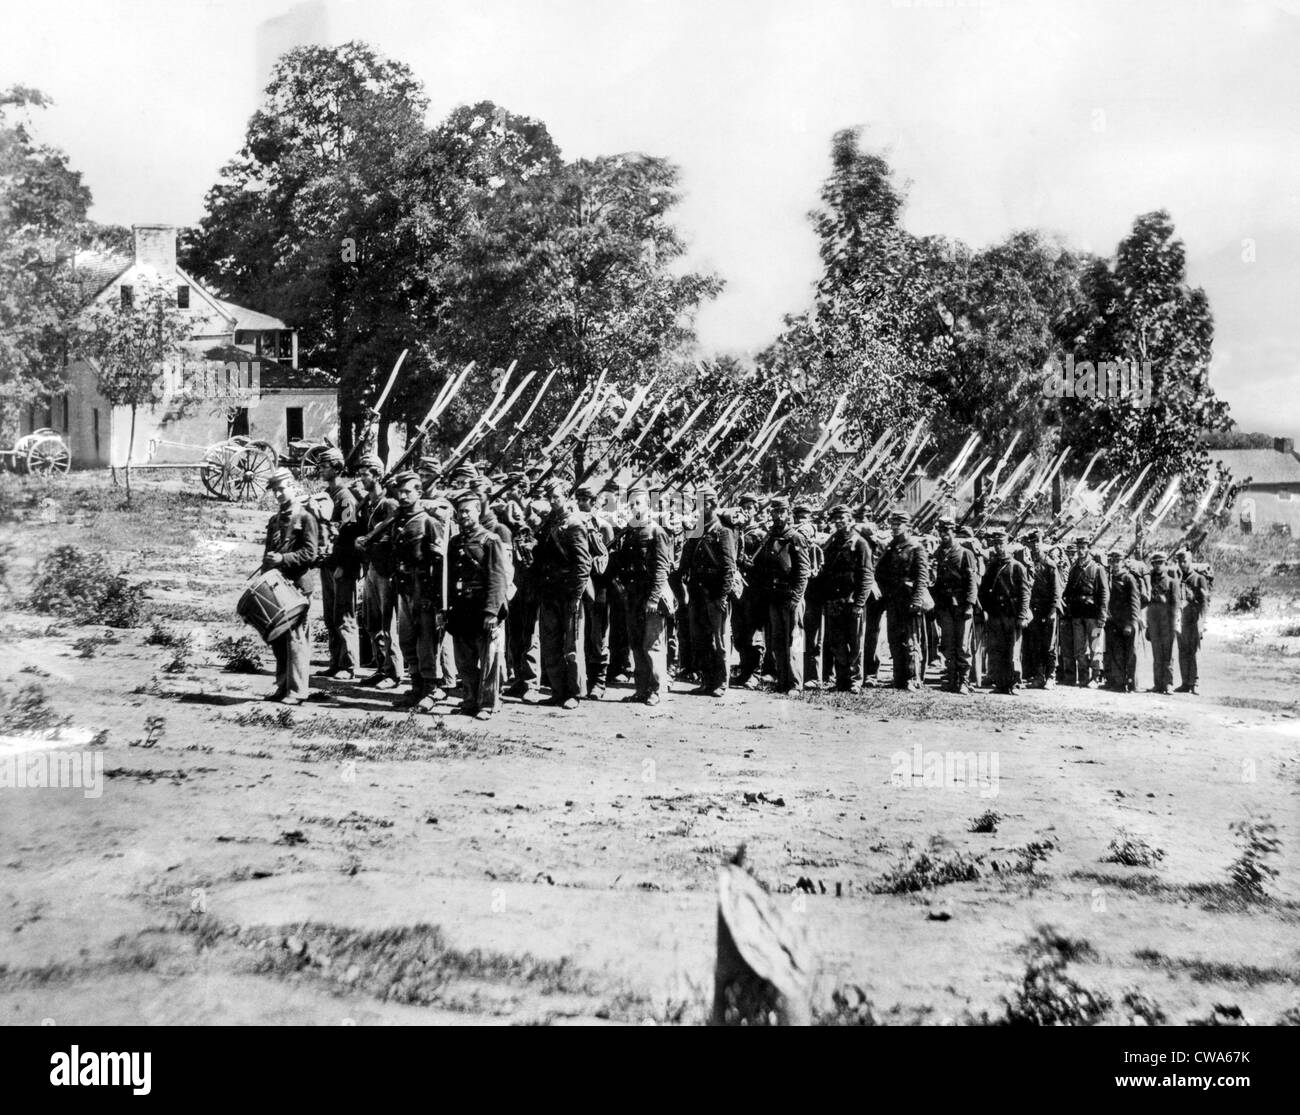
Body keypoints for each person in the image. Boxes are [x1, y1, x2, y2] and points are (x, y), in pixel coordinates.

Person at [386, 470, 446, 712]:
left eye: (407, 492)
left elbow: (439, 564)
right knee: (407, 639)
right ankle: (416, 687)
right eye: (399, 492)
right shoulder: (398, 520)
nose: (402, 496)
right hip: (404, 586)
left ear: (419, 493)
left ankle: (431, 690)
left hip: (424, 589)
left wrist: (434, 598)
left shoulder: (429, 522)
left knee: (427, 642)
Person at [446, 492, 509, 720]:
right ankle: (470, 700)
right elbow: (449, 579)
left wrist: (492, 611)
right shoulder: (455, 542)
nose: (463, 516)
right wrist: (446, 610)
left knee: (490, 660)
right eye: (460, 511)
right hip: (462, 609)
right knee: (465, 660)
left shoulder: (490, 540)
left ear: (478, 512)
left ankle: (488, 704)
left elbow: (498, 578)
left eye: (467, 511)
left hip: (483, 609)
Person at [610, 486, 674, 705]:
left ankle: (656, 690)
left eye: (638, 503)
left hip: (651, 597)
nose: (634, 507)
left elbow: (661, 570)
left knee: (652, 644)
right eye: (631, 504)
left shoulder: (657, 532)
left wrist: (654, 598)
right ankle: (641, 689)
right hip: (634, 596)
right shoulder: (630, 532)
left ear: (648, 505)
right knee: (636, 643)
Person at [261, 468, 319, 705]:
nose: (278, 494)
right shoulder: (275, 520)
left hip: (297, 586)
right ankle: (282, 685)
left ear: (293, 487)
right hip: (277, 585)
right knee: (278, 639)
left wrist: (283, 560)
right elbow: (267, 553)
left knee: (296, 640)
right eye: (274, 490)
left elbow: (310, 553)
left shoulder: (306, 518)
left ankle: (297, 691)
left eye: (282, 489)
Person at [534, 479, 591, 709]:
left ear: (566, 497)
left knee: (572, 645)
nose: (553, 501)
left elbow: (583, 564)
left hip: (568, 593)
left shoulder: (574, 524)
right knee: (551, 643)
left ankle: (574, 693)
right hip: (550, 592)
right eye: (550, 497)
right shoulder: (549, 522)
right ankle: (558, 690)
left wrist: (576, 596)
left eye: (557, 497)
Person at [679, 484, 738, 698]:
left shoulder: (723, 532)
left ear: (712, 504)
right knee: (700, 639)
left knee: (719, 641)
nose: (698, 508)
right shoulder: (698, 530)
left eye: (702, 503)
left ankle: (721, 682)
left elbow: (729, 568)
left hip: (714, 595)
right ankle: (707, 680)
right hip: (696, 594)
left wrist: (721, 596)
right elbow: (685, 560)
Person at [752, 495, 809, 695]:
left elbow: (804, 571)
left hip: (791, 596)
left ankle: (795, 683)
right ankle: (782, 680)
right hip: (774, 596)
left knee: (795, 640)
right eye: (774, 512)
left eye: (781, 512)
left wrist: (796, 597)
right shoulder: (769, 537)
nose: (777, 516)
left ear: (788, 514)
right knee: (777, 640)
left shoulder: (795, 538)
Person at [354, 457, 403, 689]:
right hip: (371, 567)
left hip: (385, 568)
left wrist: (371, 541)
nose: (361, 478)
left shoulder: (389, 505)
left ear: (376, 475)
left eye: (365, 474)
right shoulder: (367, 503)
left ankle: (393, 672)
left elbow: (393, 538)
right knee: (371, 621)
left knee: (387, 621)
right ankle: (381, 667)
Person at [816, 503, 872, 692]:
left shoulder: (860, 543)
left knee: (855, 644)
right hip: (834, 600)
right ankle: (841, 680)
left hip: (852, 600)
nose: (839, 522)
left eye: (842, 518)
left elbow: (866, 575)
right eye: (836, 519)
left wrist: (860, 602)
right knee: (837, 642)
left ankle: (855, 681)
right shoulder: (832, 542)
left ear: (850, 519)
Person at [316, 447, 360, 680]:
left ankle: (348, 665)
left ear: (336, 468)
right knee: (330, 616)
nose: (320, 469)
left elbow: (350, 536)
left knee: (344, 616)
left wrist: (344, 565)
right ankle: (335, 661)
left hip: (342, 565)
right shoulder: (328, 494)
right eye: (320, 465)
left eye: (325, 466)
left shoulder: (345, 499)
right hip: (328, 564)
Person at [874, 508, 931, 691]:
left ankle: (913, 678)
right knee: (894, 639)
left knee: (912, 640)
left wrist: (916, 600)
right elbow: (880, 571)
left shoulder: (916, 547)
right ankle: (899, 678)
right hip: (893, 599)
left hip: (909, 601)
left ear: (908, 526)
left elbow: (922, 577)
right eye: (893, 524)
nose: (895, 527)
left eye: (899, 524)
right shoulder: (891, 546)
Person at [978, 526, 1031, 694]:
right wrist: (985, 610)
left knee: (1013, 650)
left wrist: (1022, 616)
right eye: (996, 544)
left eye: (1001, 544)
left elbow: (1024, 593)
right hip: (995, 615)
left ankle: (1014, 683)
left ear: (1007, 544)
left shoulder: (1017, 567)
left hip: (1011, 614)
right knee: (997, 649)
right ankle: (1001, 683)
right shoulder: (992, 566)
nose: (999, 547)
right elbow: (984, 591)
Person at [931, 514, 978, 694]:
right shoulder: (937, 553)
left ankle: (964, 681)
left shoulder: (965, 553)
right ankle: (952, 678)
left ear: (954, 532)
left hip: (962, 605)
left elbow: (971, 582)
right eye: (941, 531)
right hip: (944, 606)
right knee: (948, 643)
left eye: (947, 531)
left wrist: (969, 605)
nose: (944, 535)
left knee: (963, 645)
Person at [576, 482, 615, 699]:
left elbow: (608, 557)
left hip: (598, 585)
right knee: (579, 632)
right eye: (580, 499)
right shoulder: (573, 523)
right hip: (579, 583)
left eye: (586, 500)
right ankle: (582, 678)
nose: (582, 503)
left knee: (598, 634)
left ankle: (599, 682)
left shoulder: (603, 525)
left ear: (594, 502)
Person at [506, 498, 547, 701]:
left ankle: (532, 684)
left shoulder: (536, 537)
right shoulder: (509, 533)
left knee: (531, 638)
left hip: (530, 592)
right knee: (515, 638)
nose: (517, 521)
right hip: (514, 592)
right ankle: (520, 680)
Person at [1062, 535, 1109, 688]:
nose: (1081, 551)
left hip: (1093, 615)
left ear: (1088, 548)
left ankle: (1095, 677)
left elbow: (1104, 593)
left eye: (1083, 547)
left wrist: (1102, 616)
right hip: (1077, 615)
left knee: (1095, 646)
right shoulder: (1074, 569)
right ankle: (1083, 677)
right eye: (1079, 548)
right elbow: (1068, 591)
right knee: (1079, 649)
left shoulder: (1097, 568)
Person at [732, 493, 768, 688]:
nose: (747, 510)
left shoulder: (761, 535)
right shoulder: (735, 532)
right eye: (744, 507)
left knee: (754, 634)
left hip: (754, 590)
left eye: (751, 507)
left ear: (756, 510)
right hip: (738, 591)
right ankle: (744, 670)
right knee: (739, 633)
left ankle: (755, 673)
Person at [1022, 530, 1063, 689]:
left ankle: (1050, 677)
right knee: (1035, 644)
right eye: (1032, 543)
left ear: (1041, 543)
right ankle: (1039, 676)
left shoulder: (1049, 564)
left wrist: (1053, 611)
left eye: (1037, 542)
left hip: (1048, 609)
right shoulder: (1028, 563)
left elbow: (1056, 590)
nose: (1035, 545)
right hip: (1033, 610)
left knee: (1050, 645)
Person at [1104, 549, 1141, 692]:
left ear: (1123, 562)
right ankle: (1119, 682)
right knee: (1117, 652)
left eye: (1117, 561)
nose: (1114, 564)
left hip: (1127, 622)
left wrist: (1131, 623)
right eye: (1112, 561)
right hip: (1114, 622)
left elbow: (1134, 602)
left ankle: (1131, 683)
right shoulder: (1108, 577)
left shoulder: (1128, 578)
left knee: (1130, 654)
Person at [1175, 549, 1210, 694]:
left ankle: (1194, 682)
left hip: (1194, 619)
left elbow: (1204, 602)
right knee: (1182, 650)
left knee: (1193, 651)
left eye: (1185, 561)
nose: (1183, 564)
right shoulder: (1179, 578)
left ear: (1190, 561)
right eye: (1180, 562)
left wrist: (1202, 622)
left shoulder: (1198, 578)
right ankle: (1185, 682)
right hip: (1182, 619)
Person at [1145, 551, 1178, 694]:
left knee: (1168, 654)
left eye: (1161, 563)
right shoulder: (1149, 580)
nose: (1158, 566)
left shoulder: (1172, 582)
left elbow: (1176, 606)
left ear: (1165, 564)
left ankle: (1168, 683)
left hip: (1167, 623)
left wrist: (1175, 626)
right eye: (1155, 563)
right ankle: (1157, 683)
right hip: (1153, 622)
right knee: (1157, 654)